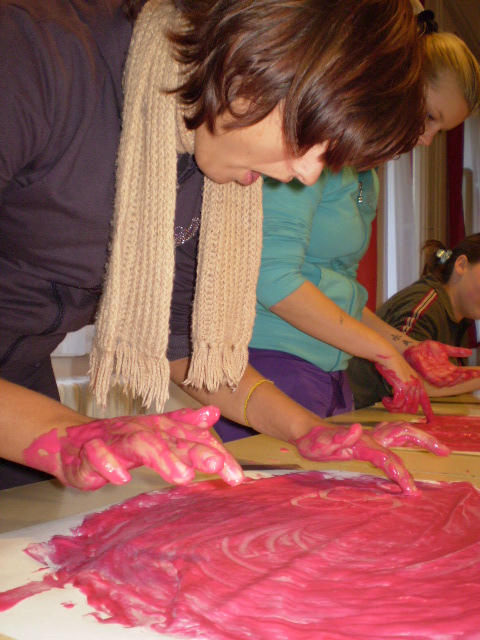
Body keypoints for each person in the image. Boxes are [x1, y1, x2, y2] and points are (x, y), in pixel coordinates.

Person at [1, 0, 441, 493]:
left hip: (19, 390)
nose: (306, 174)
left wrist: (307, 430)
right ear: (258, 54)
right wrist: (60, 435)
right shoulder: (33, 54)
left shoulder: (205, 164)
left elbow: (183, 347)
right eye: (309, 137)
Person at [212, 9, 480, 443]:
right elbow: (271, 277)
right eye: (429, 116)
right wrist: (382, 350)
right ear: (396, 84)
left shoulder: (364, 178)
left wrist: (406, 346)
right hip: (271, 364)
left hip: (331, 372)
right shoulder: (312, 151)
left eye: (441, 129)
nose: (427, 139)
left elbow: (339, 293)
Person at [349, 235, 480, 409]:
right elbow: (405, 379)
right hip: (358, 412)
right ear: (461, 265)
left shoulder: (459, 316)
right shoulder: (425, 305)